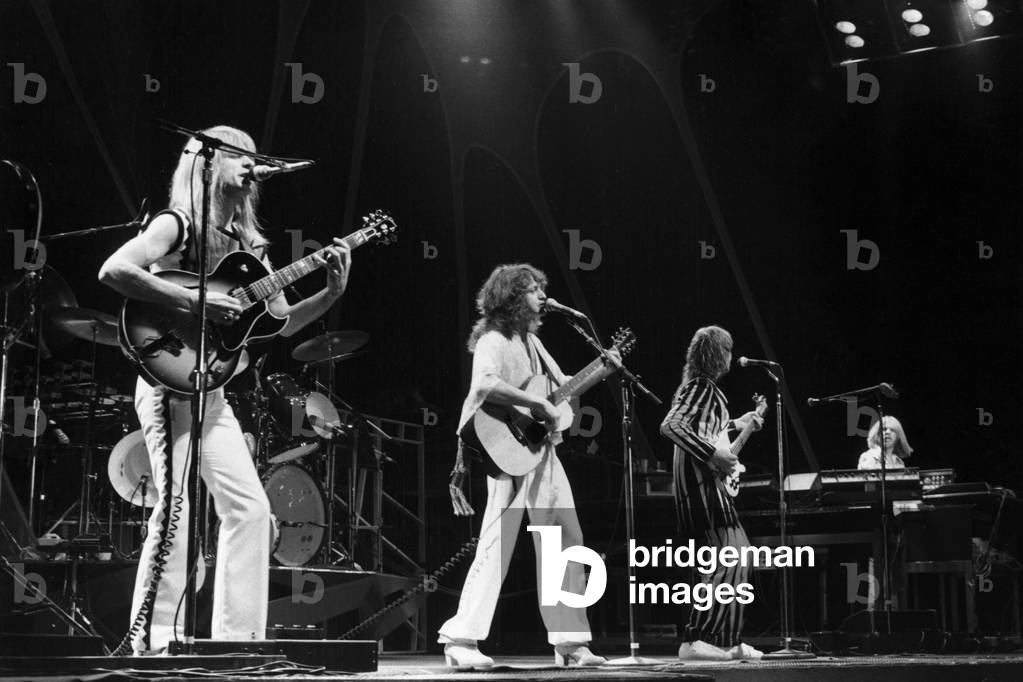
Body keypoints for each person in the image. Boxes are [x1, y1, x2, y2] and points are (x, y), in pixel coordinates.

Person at [98, 125, 351, 654]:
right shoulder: (178, 223)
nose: (250, 166)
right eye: (239, 156)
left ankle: (239, 639)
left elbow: (280, 323)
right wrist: (194, 303)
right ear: (205, 162)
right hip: (168, 380)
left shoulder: (247, 244)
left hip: (212, 392)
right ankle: (154, 637)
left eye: (255, 159)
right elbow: (115, 269)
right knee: (178, 509)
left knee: (252, 510)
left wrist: (330, 292)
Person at [440, 264, 608, 669]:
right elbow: (483, 386)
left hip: (540, 451)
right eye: (533, 290)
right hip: (507, 451)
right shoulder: (493, 339)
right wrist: (535, 404)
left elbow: (558, 385)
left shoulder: (532, 341)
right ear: (513, 298)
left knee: (565, 537)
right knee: (496, 545)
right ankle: (460, 639)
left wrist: (600, 369)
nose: (542, 298)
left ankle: (570, 644)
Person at [660, 325, 764, 661]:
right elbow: (672, 425)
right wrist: (711, 454)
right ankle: (695, 640)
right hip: (701, 487)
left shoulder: (702, 390)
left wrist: (737, 423)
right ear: (718, 354)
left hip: (705, 486)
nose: (731, 357)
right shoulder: (702, 387)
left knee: (738, 555)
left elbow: (707, 427)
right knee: (730, 556)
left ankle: (725, 640)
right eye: (728, 350)